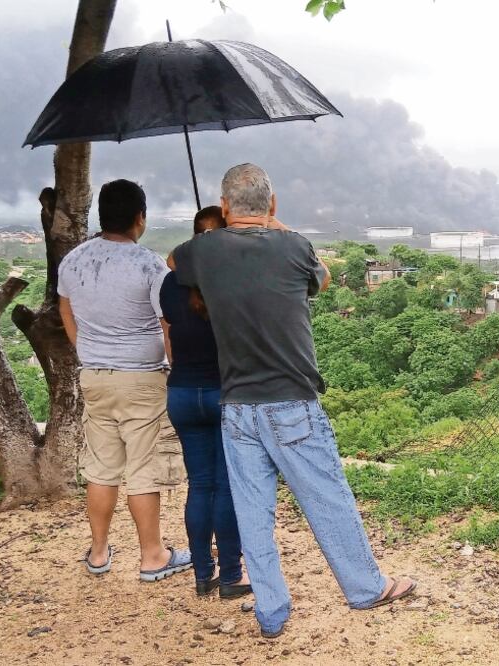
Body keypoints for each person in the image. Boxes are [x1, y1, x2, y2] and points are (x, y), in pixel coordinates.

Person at [170, 164, 416, 638]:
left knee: (252, 511)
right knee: (327, 499)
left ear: (223, 208)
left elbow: (173, 265)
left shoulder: (202, 251)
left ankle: (271, 610)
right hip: (291, 402)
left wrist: (214, 245)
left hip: (237, 406)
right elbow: (320, 281)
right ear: (273, 205)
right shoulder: (293, 245)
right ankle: (366, 587)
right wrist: (276, 226)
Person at [58, 179, 192, 580]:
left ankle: (98, 553)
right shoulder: (149, 265)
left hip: (94, 376)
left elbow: (67, 315)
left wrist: (89, 351)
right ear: (140, 217)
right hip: (142, 379)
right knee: (143, 468)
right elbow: (166, 324)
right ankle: (153, 556)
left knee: (101, 468)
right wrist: (176, 366)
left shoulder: (73, 261)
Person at [159, 206, 251, 599]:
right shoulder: (231, 284)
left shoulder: (168, 284)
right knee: (226, 487)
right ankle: (231, 575)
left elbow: (169, 336)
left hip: (181, 393)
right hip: (223, 393)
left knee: (200, 485)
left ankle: (202, 574)